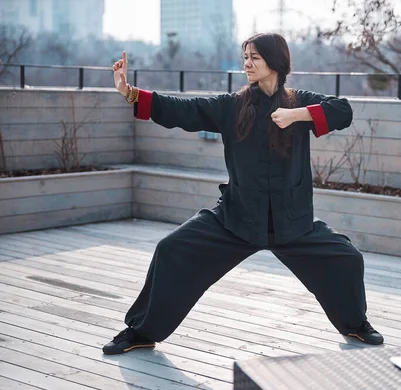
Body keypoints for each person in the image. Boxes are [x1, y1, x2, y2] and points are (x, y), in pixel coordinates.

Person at [103, 33, 384, 355]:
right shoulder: (231, 106)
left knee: (346, 258)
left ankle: (355, 325)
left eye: (255, 58)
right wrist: (130, 93)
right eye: (245, 57)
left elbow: (342, 110)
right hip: (236, 219)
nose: (247, 64)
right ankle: (140, 332)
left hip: (293, 222)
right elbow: (182, 109)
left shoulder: (299, 100)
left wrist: (297, 115)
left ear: (275, 62)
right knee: (171, 249)